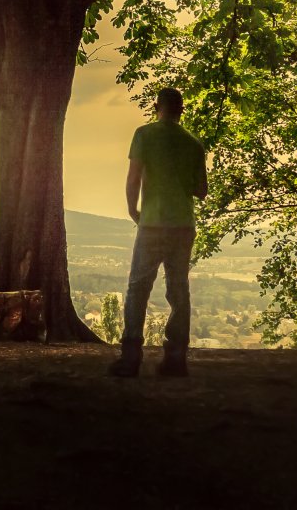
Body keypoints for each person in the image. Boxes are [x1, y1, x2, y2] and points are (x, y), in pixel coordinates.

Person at [108, 86, 207, 378]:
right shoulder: (193, 144)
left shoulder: (144, 134)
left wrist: (132, 210)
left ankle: (130, 358)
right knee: (179, 290)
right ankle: (176, 359)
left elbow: (133, 177)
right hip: (182, 225)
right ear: (182, 110)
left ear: (156, 106)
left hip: (152, 223)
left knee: (138, 288)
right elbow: (201, 190)